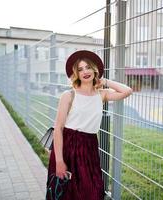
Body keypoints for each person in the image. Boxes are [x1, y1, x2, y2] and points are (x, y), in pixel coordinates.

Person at [46, 50, 133, 200]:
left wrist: (104, 81)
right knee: (66, 192)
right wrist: (59, 161)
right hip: (68, 145)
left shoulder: (102, 94)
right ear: (76, 74)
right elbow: (58, 129)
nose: (85, 71)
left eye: (88, 67)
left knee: (91, 190)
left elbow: (127, 91)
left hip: (89, 146)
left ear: (94, 69)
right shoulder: (69, 96)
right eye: (80, 69)